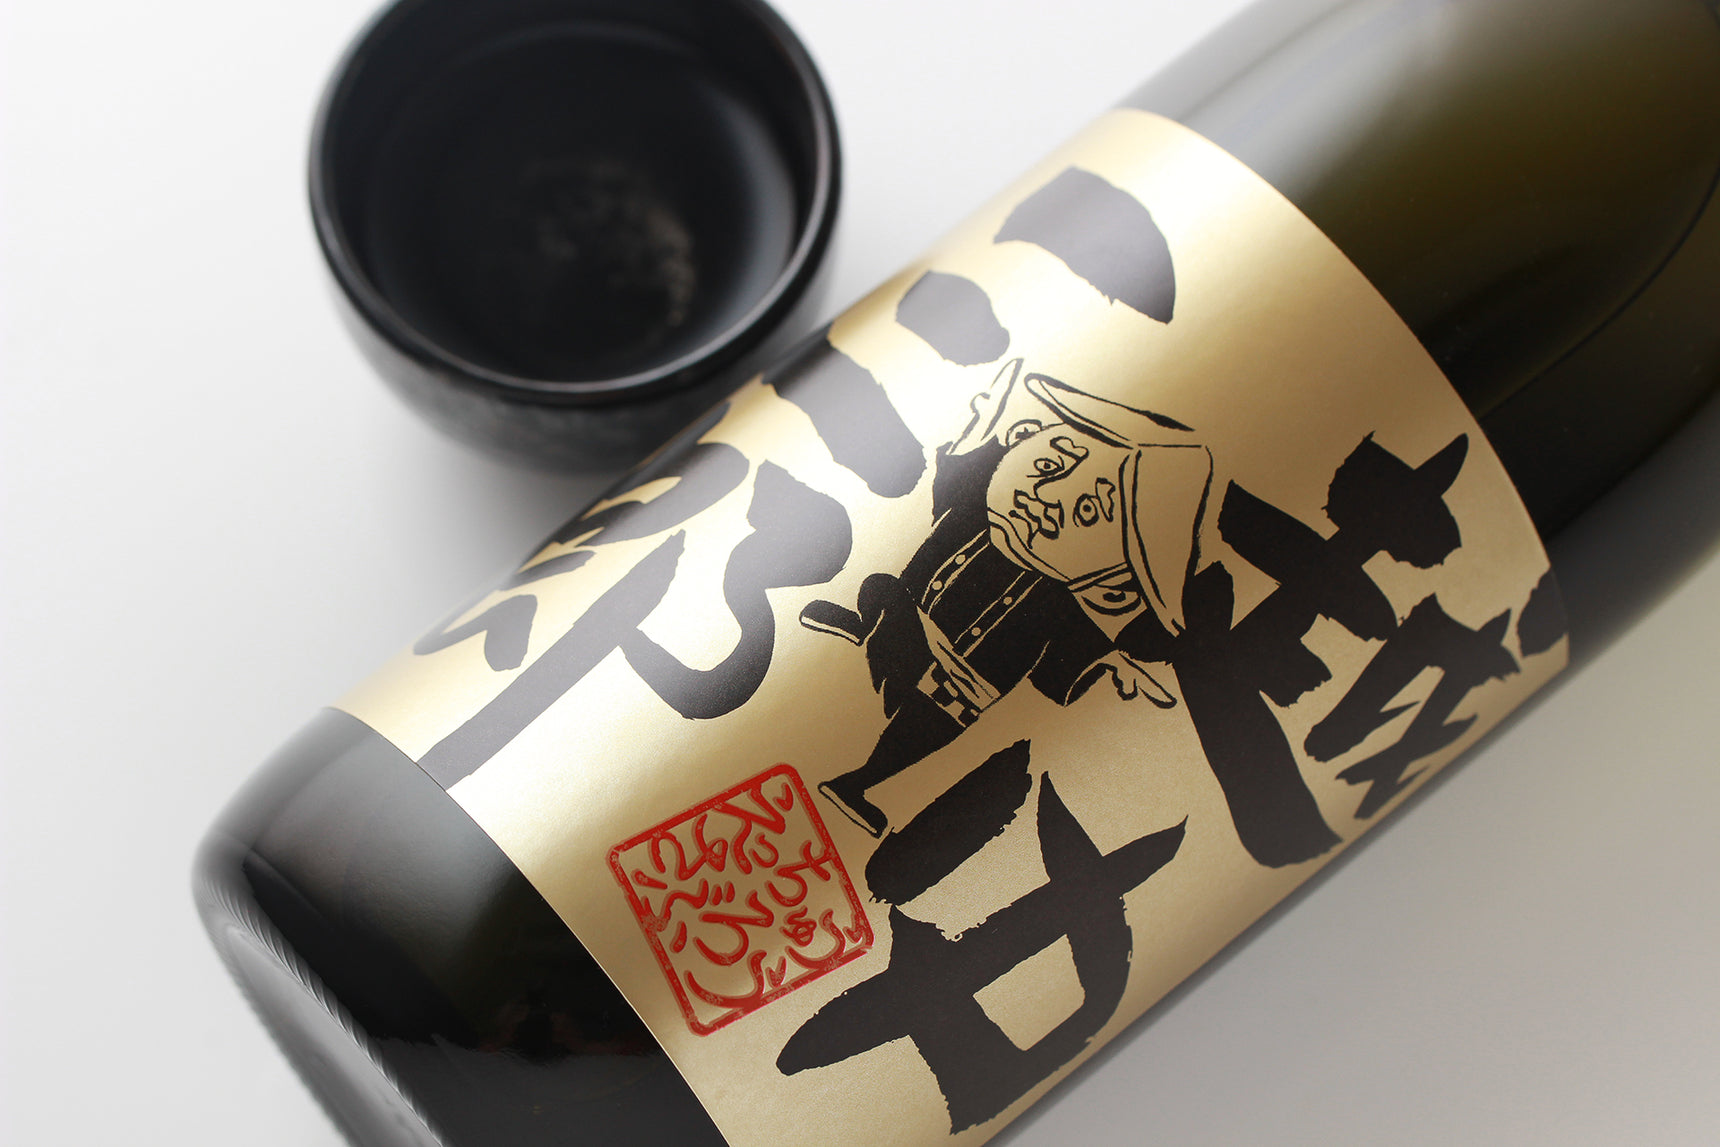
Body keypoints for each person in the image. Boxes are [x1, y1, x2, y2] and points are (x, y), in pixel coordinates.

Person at [800, 359, 1213, 836]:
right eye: (1051, 465)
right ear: (1024, 438)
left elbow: (1070, 652)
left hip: (969, 679)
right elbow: (955, 471)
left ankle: (856, 785)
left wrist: (1109, 664)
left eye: (1087, 511)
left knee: (926, 727)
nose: (1049, 498)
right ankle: (865, 625)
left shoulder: (1063, 598)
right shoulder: (975, 504)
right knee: (882, 590)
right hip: (911, 615)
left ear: (1116, 583)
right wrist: (982, 425)